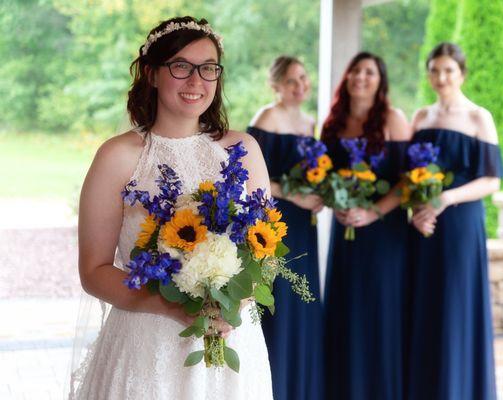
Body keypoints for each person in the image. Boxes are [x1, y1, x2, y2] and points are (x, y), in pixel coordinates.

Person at [70, 16, 273, 400]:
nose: (196, 81)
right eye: (181, 66)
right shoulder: (118, 156)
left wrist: (230, 304)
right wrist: (172, 307)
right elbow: (93, 271)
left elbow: (265, 253)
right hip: (148, 345)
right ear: (151, 74)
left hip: (233, 341)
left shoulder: (243, 150)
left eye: (208, 68)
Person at [407, 42, 503, 400]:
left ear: (461, 73)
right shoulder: (420, 117)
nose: (441, 77)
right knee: (426, 305)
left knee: (456, 305)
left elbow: (492, 180)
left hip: (461, 225)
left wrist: (445, 198)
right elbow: (408, 176)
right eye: (434, 70)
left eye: (448, 70)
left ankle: (459, 390)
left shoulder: (480, 117)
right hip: (423, 227)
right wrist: (415, 211)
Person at [321, 52, 412, 400]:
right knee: (347, 311)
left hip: (385, 233)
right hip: (347, 234)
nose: (361, 77)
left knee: (380, 311)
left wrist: (373, 212)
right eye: (355, 70)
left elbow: (408, 182)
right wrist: (336, 203)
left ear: (381, 80)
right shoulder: (334, 122)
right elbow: (322, 177)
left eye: (369, 72)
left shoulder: (393, 119)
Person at [247, 56, 324, 400]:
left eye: (303, 78)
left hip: (305, 227)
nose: (300, 86)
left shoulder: (311, 123)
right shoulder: (267, 118)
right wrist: (294, 194)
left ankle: (301, 387)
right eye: (291, 80)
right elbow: (249, 178)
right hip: (274, 226)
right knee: (280, 306)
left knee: (303, 306)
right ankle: (273, 387)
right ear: (276, 85)